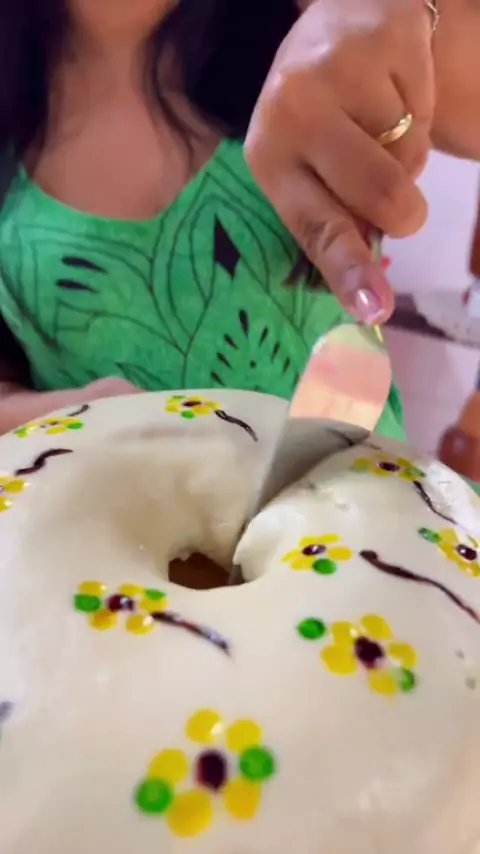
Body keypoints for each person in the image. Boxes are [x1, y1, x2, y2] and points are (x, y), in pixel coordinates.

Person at [0, 0, 478, 437]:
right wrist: (70, 416)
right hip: (103, 499)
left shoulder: (301, 17)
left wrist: (409, 10)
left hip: (372, 497)